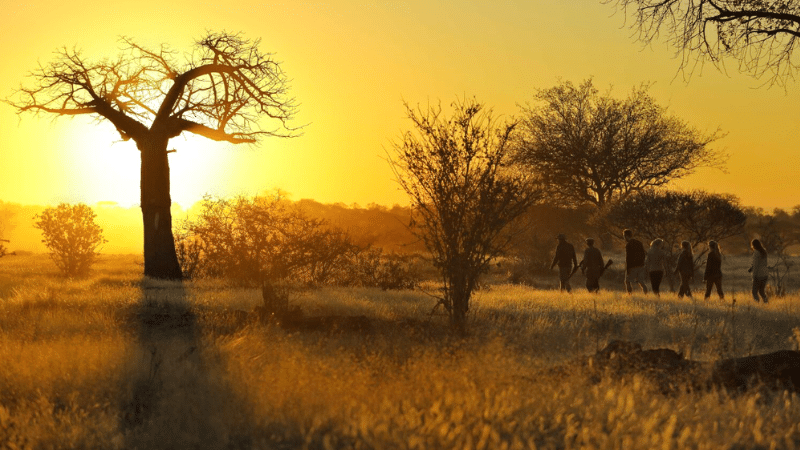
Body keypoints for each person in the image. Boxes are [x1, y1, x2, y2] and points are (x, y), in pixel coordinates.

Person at [623, 229, 648, 294]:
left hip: (632, 266)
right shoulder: (639, 243)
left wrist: (627, 268)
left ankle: (629, 295)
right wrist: (642, 263)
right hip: (640, 265)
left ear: (626, 236)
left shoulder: (628, 245)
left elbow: (628, 257)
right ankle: (646, 294)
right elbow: (643, 254)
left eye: (624, 236)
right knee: (641, 281)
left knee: (627, 281)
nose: (624, 238)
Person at [749, 239, 769, 303]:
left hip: (758, 275)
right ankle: (766, 302)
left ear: (753, 245)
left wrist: (754, 276)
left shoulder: (756, 252)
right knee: (761, 291)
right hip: (765, 274)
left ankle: (757, 303)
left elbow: (756, 266)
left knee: (754, 292)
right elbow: (763, 263)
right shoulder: (764, 251)